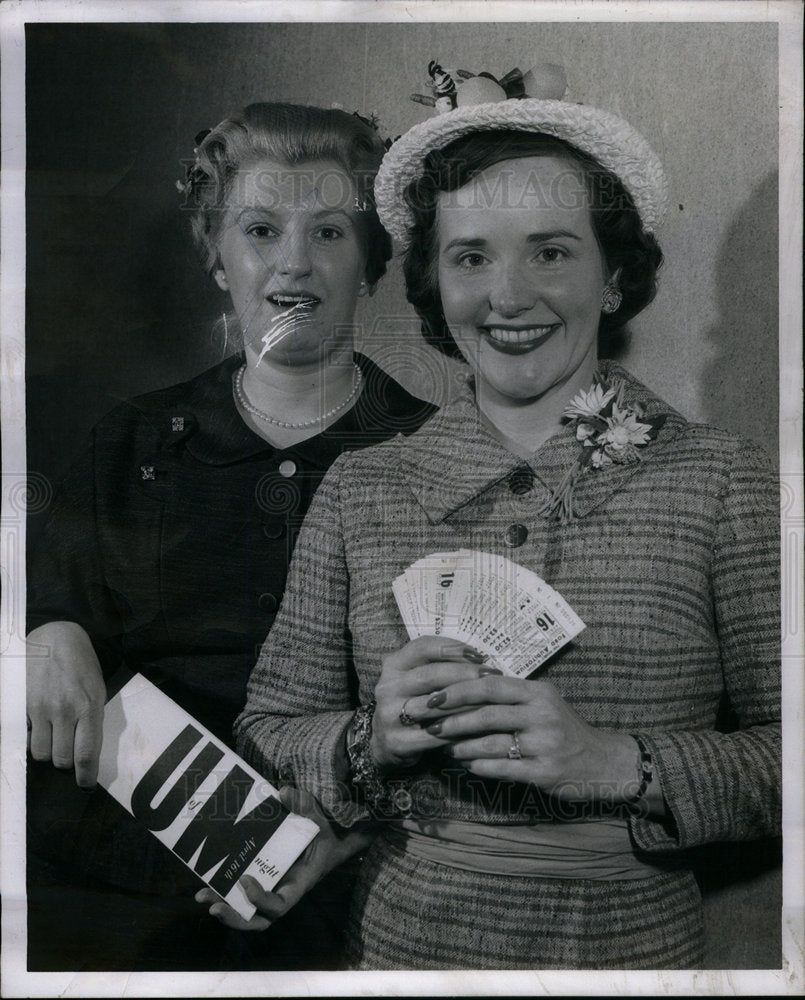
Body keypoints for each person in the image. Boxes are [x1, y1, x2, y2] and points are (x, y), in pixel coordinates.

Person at [227, 66, 781, 969]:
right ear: (435, 286)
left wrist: (620, 763)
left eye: (551, 251)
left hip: (629, 957)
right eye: (471, 256)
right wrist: (373, 738)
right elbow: (270, 730)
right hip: (401, 951)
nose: (508, 295)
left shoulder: (723, 483)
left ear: (612, 278)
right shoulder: (362, 489)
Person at [25, 102, 436, 971]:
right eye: (259, 230)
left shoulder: (434, 454)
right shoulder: (131, 440)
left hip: (350, 881)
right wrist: (45, 629)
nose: (294, 263)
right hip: (114, 880)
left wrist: (342, 831)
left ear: (370, 266)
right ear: (218, 259)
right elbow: (39, 590)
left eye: (329, 232)